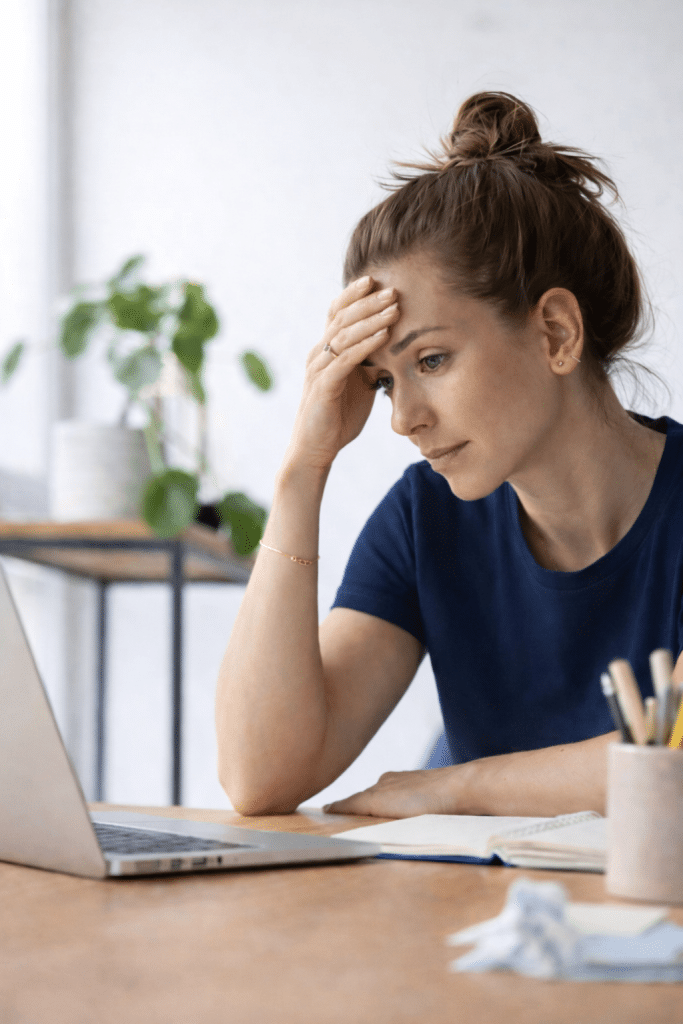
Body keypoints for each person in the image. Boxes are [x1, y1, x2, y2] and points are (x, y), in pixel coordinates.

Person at [215, 91, 683, 819]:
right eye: (381, 381)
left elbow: (674, 766)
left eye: (430, 360)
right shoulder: (422, 518)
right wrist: (302, 471)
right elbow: (260, 774)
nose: (402, 419)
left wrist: (449, 786)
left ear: (556, 332)